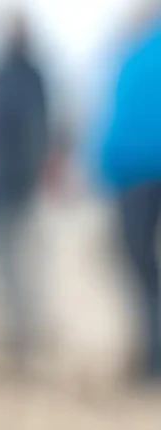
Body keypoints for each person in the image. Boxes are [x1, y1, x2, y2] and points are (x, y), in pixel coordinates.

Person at [92, 3, 161, 381]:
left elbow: (114, 123)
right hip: (135, 170)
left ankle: (151, 356)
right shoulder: (129, 52)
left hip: (133, 175)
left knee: (140, 270)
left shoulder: (128, 54)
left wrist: (103, 170)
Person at [0, 13, 50, 371]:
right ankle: (17, 334)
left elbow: (34, 131)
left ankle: (24, 335)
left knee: (20, 263)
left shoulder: (21, 75)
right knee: (11, 264)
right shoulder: (10, 73)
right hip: (5, 185)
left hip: (18, 187)